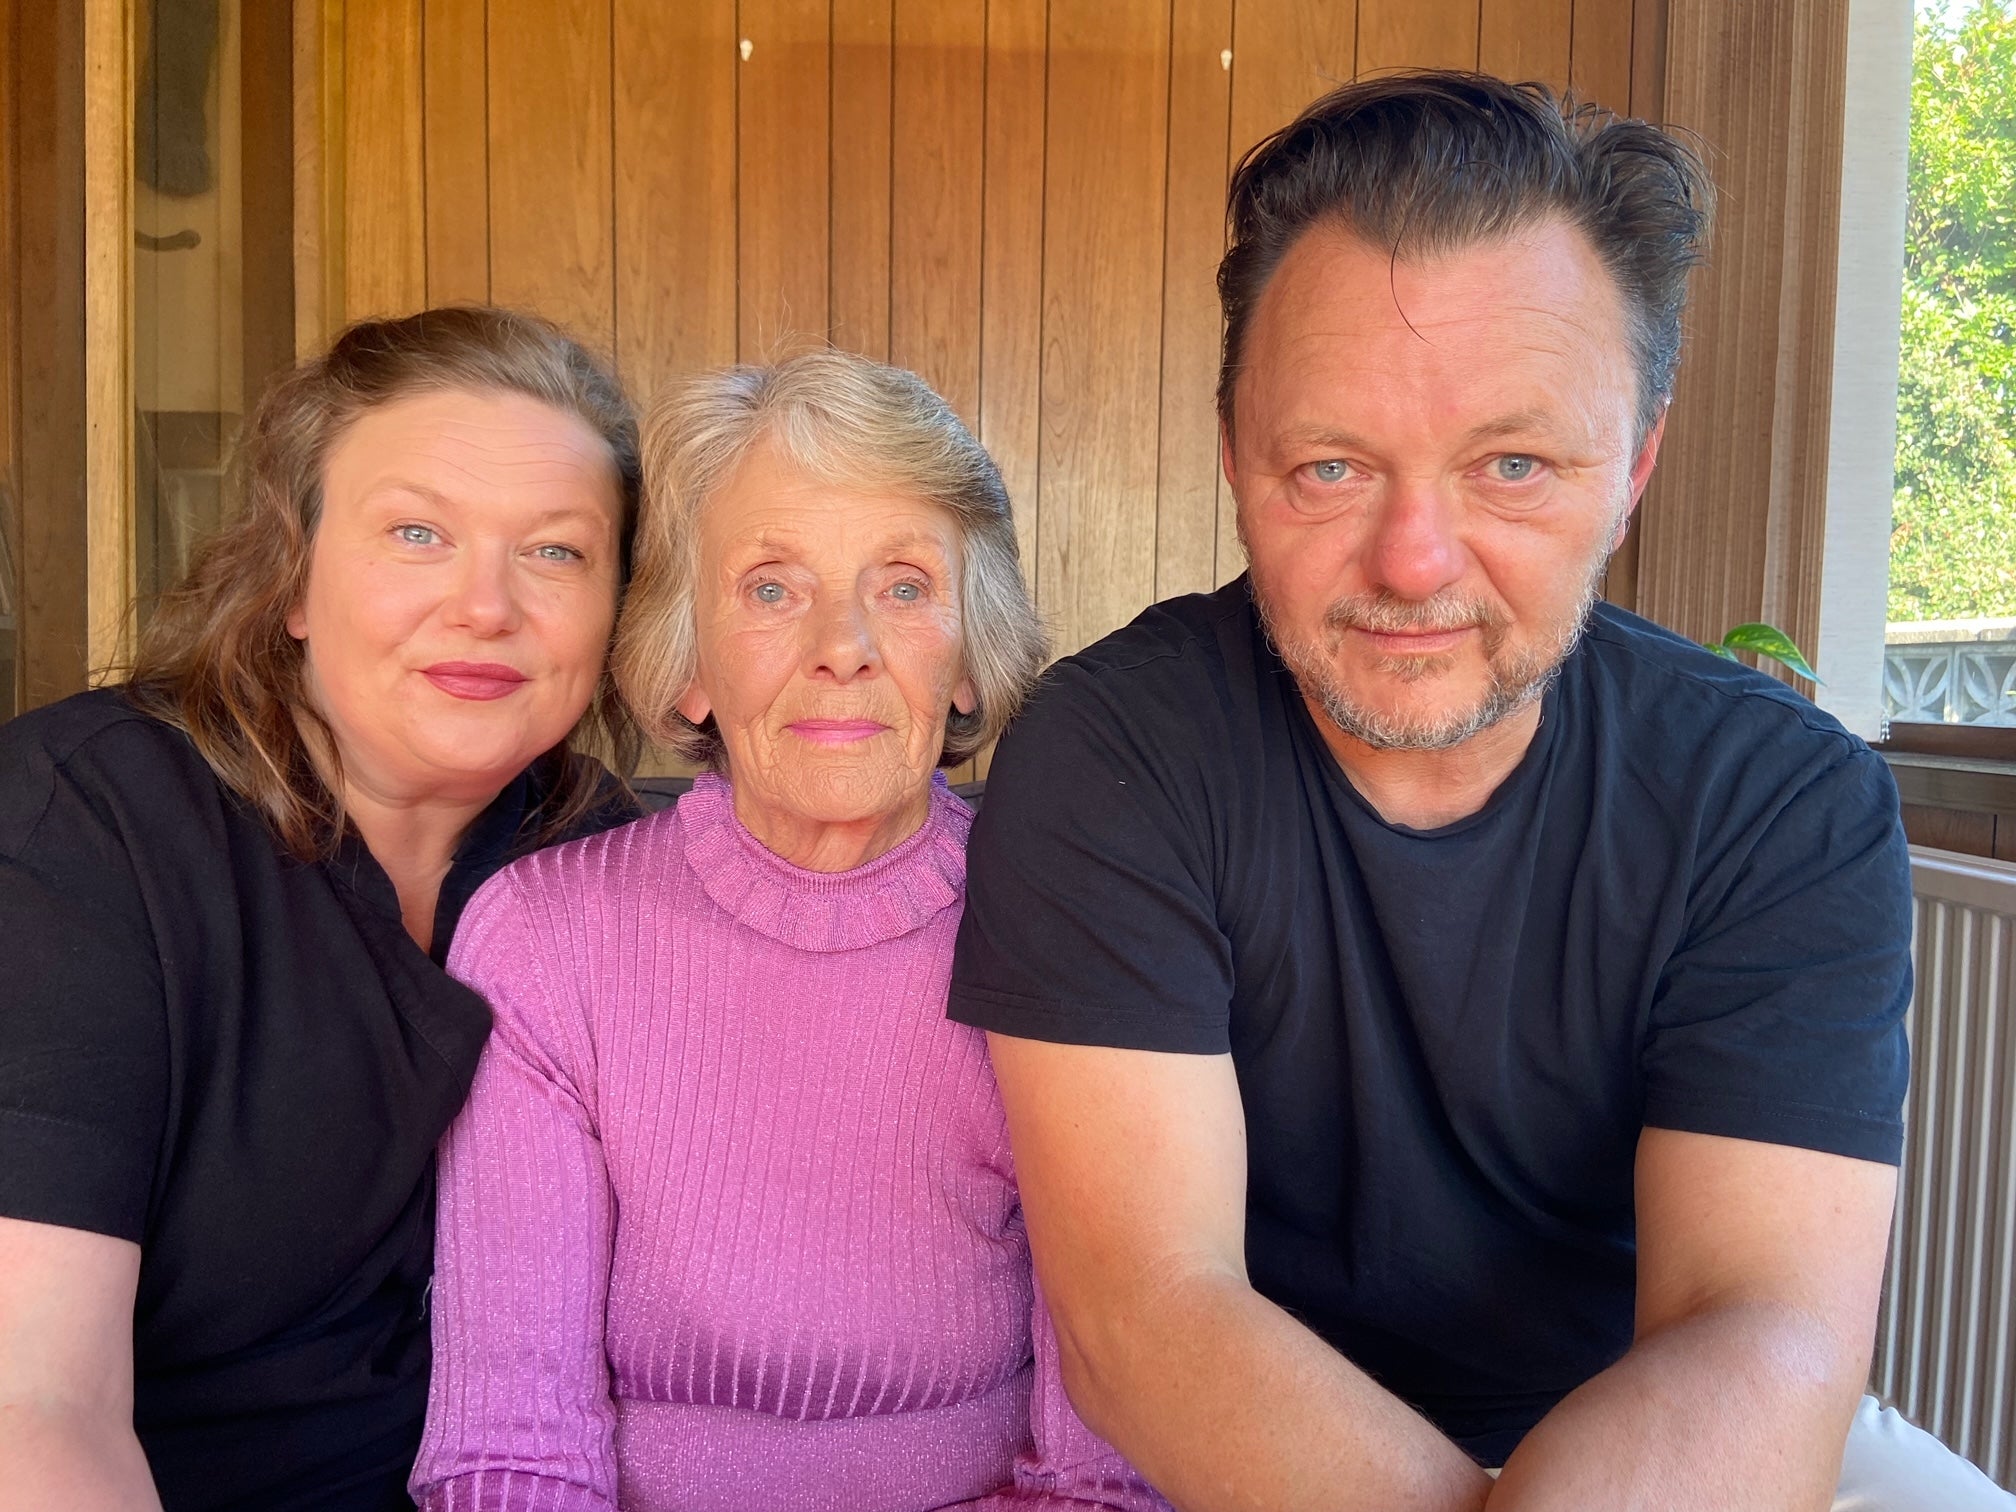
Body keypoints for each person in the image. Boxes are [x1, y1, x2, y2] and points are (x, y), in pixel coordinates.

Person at [950, 72, 2016, 1512]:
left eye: (1512, 465)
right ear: (1235, 455)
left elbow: (1759, 1329)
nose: (1413, 562)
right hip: (1243, 1459)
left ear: (1634, 463)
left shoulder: (1778, 798)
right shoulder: (1115, 752)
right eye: (1330, 466)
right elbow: (1146, 1314)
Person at [410, 350, 1168, 1512]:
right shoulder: (545, 941)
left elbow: (1100, 1473)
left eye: (905, 585)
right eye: (771, 587)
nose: (844, 642)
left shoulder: (1077, 929)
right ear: (689, 659)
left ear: (967, 657)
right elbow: (508, 1452)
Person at [0, 306, 644, 1512]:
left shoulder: (605, 856)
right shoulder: (79, 830)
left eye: (556, 551)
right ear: (293, 576)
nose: (486, 606)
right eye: (417, 534)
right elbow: (31, 1410)